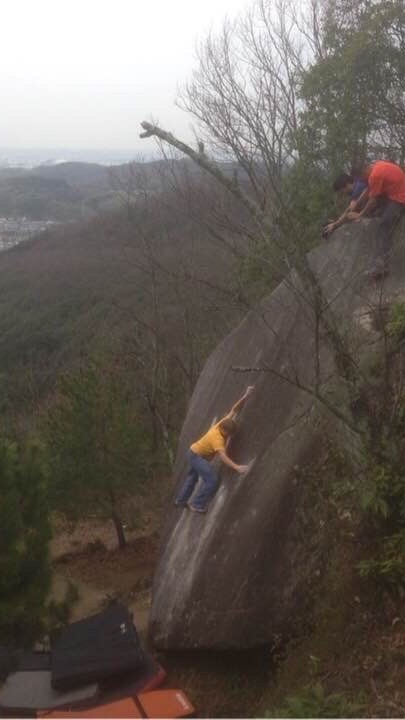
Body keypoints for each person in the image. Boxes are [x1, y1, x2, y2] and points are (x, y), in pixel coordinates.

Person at [174, 385, 254, 513]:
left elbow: (235, 409)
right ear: (224, 431)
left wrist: (246, 395)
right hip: (196, 456)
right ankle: (197, 504)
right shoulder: (217, 438)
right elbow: (223, 457)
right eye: (229, 434)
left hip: (193, 452)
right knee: (212, 479)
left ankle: (181, 501)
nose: (229, 436)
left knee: (192, 478)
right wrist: (236, 467)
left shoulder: (223, 422)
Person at [347, 160, 405, 277]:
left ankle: (381, 266)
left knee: (383, 225)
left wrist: (360, 214)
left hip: (400, 198)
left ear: (362, 173)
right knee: (376, 211)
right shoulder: (376, 166)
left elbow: (373, 200)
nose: (360, 181)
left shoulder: (374, 175)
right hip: (394, 192)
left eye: (359, 179)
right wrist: (356, 204)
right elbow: (369, 190)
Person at [323, 172, 368, 237]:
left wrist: (335, 225)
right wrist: (336, 222)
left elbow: (349, 211)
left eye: (342, 191)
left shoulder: (357, 189)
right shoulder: (358, 182)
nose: (343, 194)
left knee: (350, 216)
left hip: (376, 209)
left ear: (347, 184)